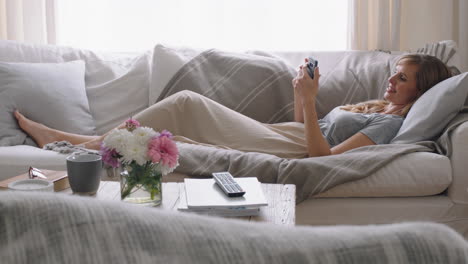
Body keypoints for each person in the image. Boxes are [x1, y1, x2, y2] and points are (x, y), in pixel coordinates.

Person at [14, 54, 452, 159]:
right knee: (181, 129)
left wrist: (312, 104)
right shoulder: (379, 109)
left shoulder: (391, 129)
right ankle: (80, 145)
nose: (390, 80)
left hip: (295, 150)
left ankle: (75, 144)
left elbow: (324, 159)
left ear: (422, 89)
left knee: (186, 104)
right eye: (393, 72)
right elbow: (307, 130)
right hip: (290, 135)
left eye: (402, 78)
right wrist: (303, 97)